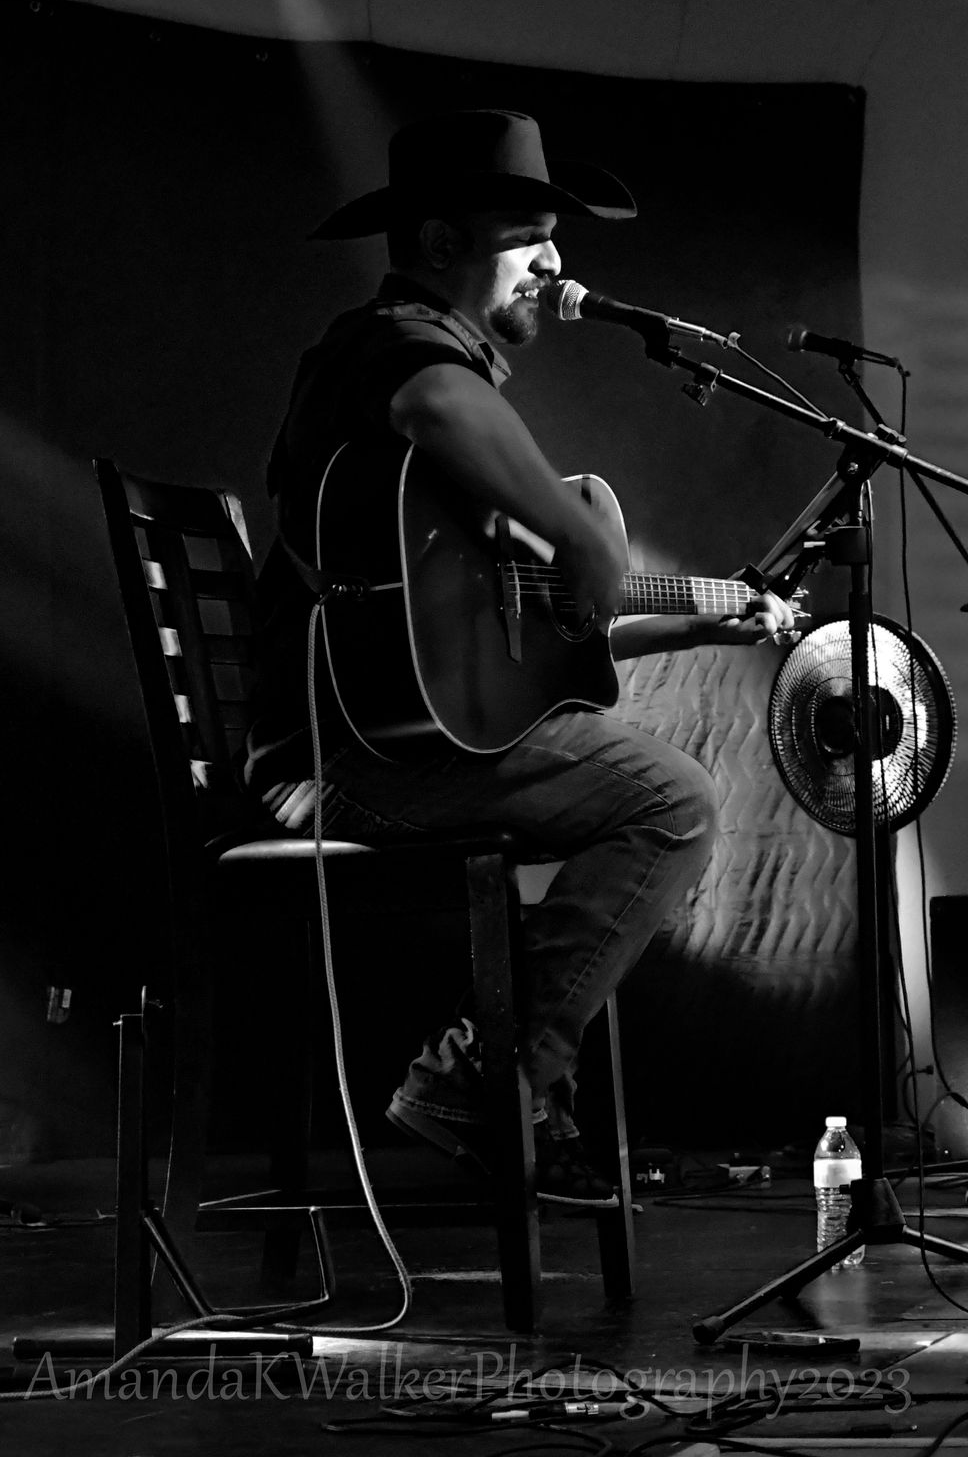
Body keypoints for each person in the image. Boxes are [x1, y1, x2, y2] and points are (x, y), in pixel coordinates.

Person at [244, 109, 793, 1206]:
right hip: (346, 761)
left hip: (391, 744)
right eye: (527, 236)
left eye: (555, 236)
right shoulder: (388, 348)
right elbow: (432, 397)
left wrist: (700, 617)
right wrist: (584, 537)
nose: (553, 262)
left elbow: (534, 636)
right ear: (440, 243)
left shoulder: (438, 397)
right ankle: (486, 1082)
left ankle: (510, 1086)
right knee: (670, 801)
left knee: (639, 777)